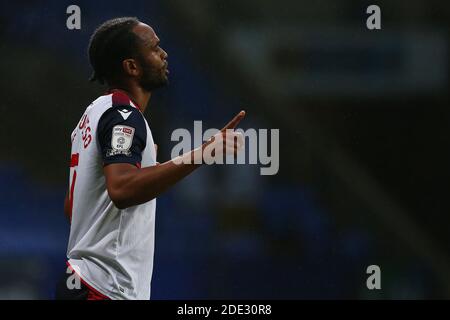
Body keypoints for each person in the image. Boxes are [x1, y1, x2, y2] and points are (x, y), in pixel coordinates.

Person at [55, 17, 245, 300]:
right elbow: (121, 189)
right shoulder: (123, 115)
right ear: (132, 66)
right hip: (104, 288)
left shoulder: (92, 115)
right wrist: (204, 152)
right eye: (155, 48)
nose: (164, 54)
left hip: (84, 281)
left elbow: (74, 207)